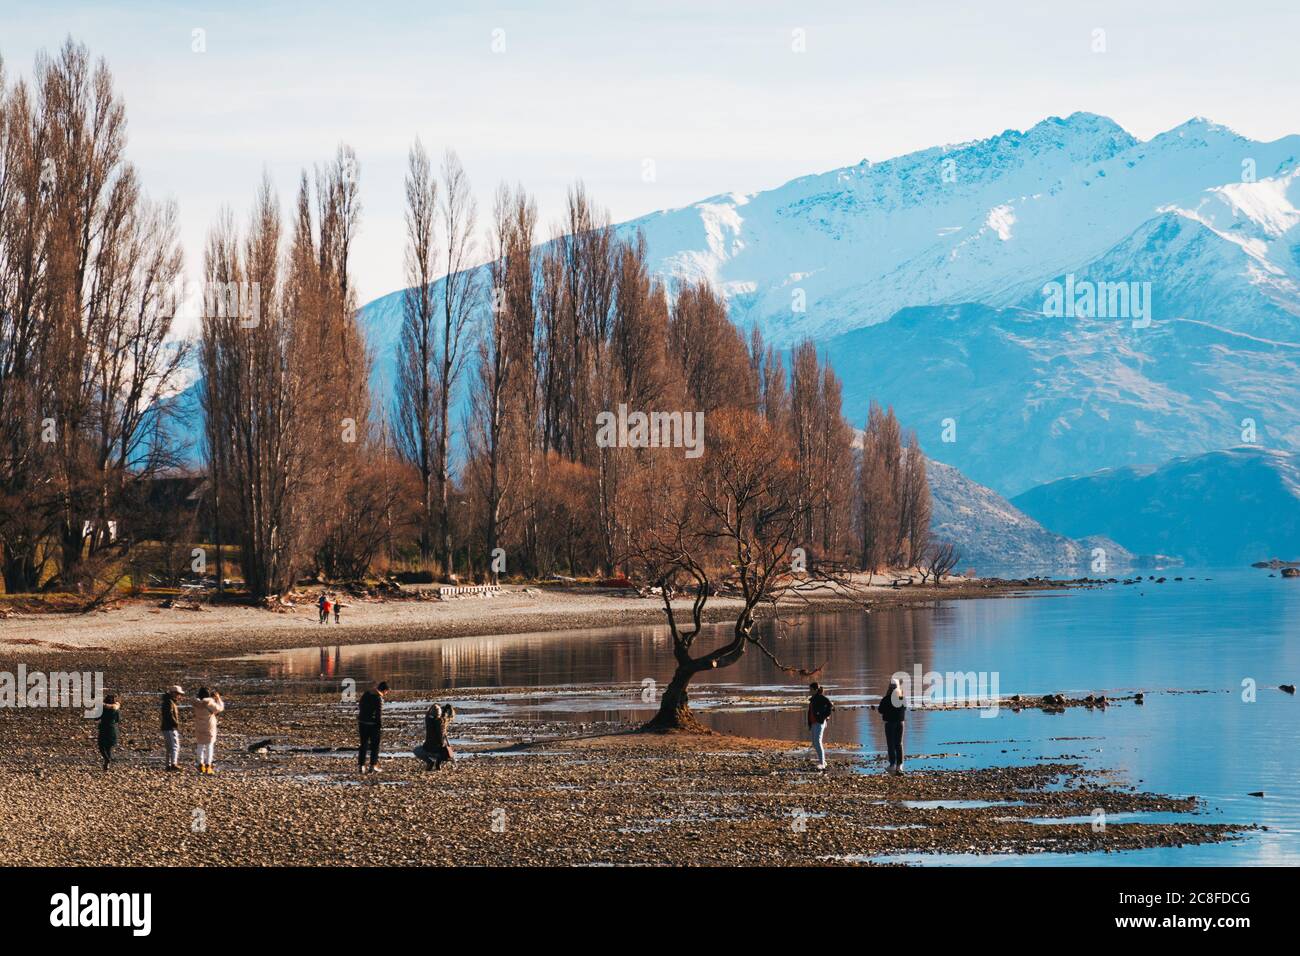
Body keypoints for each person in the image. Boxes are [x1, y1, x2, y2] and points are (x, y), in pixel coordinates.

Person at [193, 687, 225, 774]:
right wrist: (218, 698)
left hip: (199, 727)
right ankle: (208, 766)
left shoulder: (196, 703)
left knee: (200, 745)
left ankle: (200, 765)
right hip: (209, 727)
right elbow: (220, 708)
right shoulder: (209, 703)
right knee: (209, 746)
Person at [357, 681, 388, 773]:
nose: (386, 694)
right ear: (384, 690)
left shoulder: (366, 694)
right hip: (373, 724)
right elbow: (379, 713)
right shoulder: (379, 698)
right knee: (375, 745)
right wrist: (380, 725)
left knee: (363, 744)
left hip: (362, 722)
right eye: (387, 691)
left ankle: (361, 766)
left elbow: (360, 705)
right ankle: (373, 766)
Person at [878, 677, 907, 774]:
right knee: (899, 744)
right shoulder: (902, 698)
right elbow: (904, 709)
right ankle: (900, 765)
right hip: (900, 723)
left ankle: (892, 765)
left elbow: (880, 710)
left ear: (889, 687)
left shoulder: (886, 699)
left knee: (891, 745)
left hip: (889, 723)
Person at [414, 702, 453, 771]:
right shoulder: (442, 724)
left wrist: (433, 706)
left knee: (416, 750)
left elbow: (427, 715)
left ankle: (430, 762)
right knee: (441, 749)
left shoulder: (429, 722)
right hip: (442, 753)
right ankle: (438, 764)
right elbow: (442, 740)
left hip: (429, 749)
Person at [807, 682, 834, 771]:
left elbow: (830, 705)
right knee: (815, 743)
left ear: (815, 690)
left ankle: (822, 763)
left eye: (810, 689)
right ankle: (823, 762)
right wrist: (810, 723)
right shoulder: (813, 699)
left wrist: (824, 716)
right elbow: (810, 712)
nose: (809, 691)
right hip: (814, 723)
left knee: (818, 742)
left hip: (819, 723)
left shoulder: (820, 698)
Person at [160, 684, 183, 771]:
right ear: (173, 693)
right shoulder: (169, 702)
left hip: (166, 727)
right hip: (169, 727)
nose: (179, 696)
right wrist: (175, 723)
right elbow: (169, 715)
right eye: (178, 694)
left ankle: (168, 765)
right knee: (174, 746)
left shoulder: (167, 701)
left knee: (169, 747)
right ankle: (173, 764)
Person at [97, 694, 121, 770]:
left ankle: (107, 759)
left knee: (101, 746)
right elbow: (117, 720)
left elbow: (96, 718)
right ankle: (107, 764)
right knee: (108, 748)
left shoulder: (102, 709)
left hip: (103, 728)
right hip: (112, 729)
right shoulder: (116, 709)